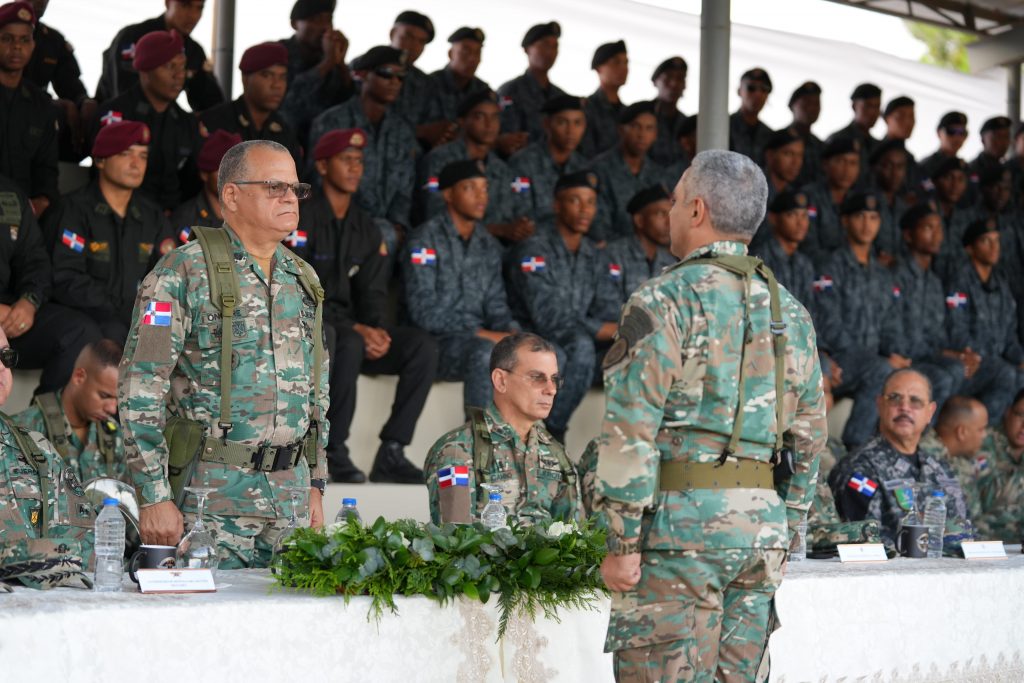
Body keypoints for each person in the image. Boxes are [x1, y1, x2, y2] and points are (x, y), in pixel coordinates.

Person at [595, 150, 826, 680]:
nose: (671, 212)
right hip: (760, 532)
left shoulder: (664, 298)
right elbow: (811, 435)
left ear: (696, 210)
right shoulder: (791, 311)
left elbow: (630, 431)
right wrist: (787, 529)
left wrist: (622, 543)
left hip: (681, 533)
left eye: (675, 201)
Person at [118, 139, 327, 569]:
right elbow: (140, 387)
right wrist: (153, 495)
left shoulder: (303, 278)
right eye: (274, 186)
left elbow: (317, 392)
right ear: (231, 195)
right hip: (209, 507)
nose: (290, 197)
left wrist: (316, 483)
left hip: (290, 507)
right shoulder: (181, 272)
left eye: (295, 188)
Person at [293, 128, 437, 484]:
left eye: (360, 161)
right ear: (323, 166)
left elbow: (373, 293)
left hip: (352, 332)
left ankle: (392, 450)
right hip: (307, 328)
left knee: (422, 346)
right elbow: (294, 289)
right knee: (347, 339)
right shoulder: (301, 216)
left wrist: (377, 330)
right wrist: (359, 330)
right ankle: (332, 450)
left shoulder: (366, 226)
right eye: (347, 160)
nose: (356, 168)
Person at [506, 171, 619, 442]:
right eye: (575, 201)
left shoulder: (594, 254)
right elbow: (548, 316)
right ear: (557, 205)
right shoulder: (533, 250)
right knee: (578, 349)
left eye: (590, 202)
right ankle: (553, 430)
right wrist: (603, 328)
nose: (584, 210)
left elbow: (607, 305)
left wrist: (618, 327)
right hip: (532, 336)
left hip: (576, 337)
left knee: (633, 352)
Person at [424, 333, 580, 525]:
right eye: (537, 377)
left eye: (554, 379)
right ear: (500, 381)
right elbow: (454, 541)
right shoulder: (457, 450)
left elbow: (572, 537)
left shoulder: (557, 454)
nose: (551, 389)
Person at [402, 159, 519, 414]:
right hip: (436, 346)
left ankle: (521, 446)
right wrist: (481, 334)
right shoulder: (424, 239)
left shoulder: (488, 245)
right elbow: (424, 313)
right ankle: (480, 442)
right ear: (448, 194)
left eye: (485, 188)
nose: (481, 196)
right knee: (483, 352)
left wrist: (513, 333)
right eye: (470, 188)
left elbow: (496, 305)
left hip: (479, 339)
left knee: (536, 352)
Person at [49, 121, 174, 344]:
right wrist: (123, 310)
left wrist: (155, 323)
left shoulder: (153, 217)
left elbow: (169, 280)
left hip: (139, 319)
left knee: (168, 343)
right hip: (89, 319)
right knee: (115, 337)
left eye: (143, 156)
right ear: (100, 160)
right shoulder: (73, 210)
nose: (136, 164)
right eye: (126, 154)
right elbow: (65, 278)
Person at [830, 369, 974, 553]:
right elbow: (865, 547)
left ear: (930, 412)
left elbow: (967, 535)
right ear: (880, 404)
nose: (905, 407)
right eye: (895, 398)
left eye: (915, 401)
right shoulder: (858, 470)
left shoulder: (941, 469)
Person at [0, 324, 96, 591]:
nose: (1, 368)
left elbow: (86, 544)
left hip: (38, 619)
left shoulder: (36, 449)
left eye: (5, 358)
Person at [814, 191, 904, 450]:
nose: (867, 224)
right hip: (838, 358)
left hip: (872, 358)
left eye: (874, 218)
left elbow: (890, 322)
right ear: (845, 221)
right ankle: (855, 447)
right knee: (880, 370)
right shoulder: (831, 265)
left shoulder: (881, 272)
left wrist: (894, 353)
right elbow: (827, 322)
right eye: (860, 217)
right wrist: (880, 360)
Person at [307, 45, 418, 252]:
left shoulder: (402, 131)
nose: (395, 82)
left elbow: (405, 187)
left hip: (389, 233)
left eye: (401, 77)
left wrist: (399, 225)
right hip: (336, 227)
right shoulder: (332, 121)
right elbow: (317, 180)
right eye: (387, 74)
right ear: (364, 75)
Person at [0, 175, 98, 393]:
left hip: (9, 317)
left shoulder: (10, 196)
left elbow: (35, 260)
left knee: (79, 332)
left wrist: (29, 301)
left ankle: (44, 422)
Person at [92, 29, 203, 212]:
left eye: (182, 67)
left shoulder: (187, 123)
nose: (179, 75)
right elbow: (105, 179)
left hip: (171, 223)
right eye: (169, 67)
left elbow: (192, 182)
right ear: (145, 70)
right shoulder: (115, 115)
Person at [416, 90, 530, 243]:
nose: (489, 124)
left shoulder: (502, 169)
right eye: (480, 117)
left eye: (495, 117)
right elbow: (435, 215)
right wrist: (499, 230)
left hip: (495, 251)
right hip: (449, 245)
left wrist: (519, 228)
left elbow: (515, 215)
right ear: (462, 121)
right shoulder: (439, 160)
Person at [13, 339, 126, 484]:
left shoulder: (112, 434)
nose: (112, 408)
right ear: (79, 377)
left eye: (118, 399)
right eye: (104, 396)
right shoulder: (25, 430)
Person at [946, 218, 1024, 422]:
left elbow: (1010, 337)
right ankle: (981, 433)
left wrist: (1020, 358)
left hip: (997, 364)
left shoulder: (1000, 283)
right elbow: (957, 332)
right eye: (986, 241)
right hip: (970, 365)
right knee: (1005, 374)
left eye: (996, 241)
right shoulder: (959, 280)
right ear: (970, 249)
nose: (993, 247)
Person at [891, 203, 968, 410]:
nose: (936, 235)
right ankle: (918, 433)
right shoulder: (896, 274)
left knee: (958, 368)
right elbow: (892, 330)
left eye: (939, 228)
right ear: (908, 235)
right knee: (942, 377)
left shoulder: (933, 281)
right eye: (928, 228)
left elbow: (937, 332)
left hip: (925, 355)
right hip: (902, 356)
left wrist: (956, 353)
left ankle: (927, 431)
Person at [95, 0, 223, 112]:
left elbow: (212, 105)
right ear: (168, 2)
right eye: (185, 5)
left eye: (199, 7)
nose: (193, 15)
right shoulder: (133, 37)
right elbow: (126, 98)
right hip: (112, 124)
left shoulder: (194, 51)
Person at [198, 42, 302, 166]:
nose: (277, 85)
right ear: (245, 78)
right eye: (267, 75)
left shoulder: (285, 131)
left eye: (282, 77)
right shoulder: (216, 122)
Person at [0, 2, 58, 217]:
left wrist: (42, 200)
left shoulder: (41, 104)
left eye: (24, 40)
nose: (17, 46)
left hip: (26, 217)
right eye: (7, 39)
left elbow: (47, 168)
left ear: (33, 45)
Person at [276, 0, 354, 146]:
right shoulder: (278, 53)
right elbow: (288, 103)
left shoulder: (329, 55)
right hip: (284, 144)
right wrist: (327, 63)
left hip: (322, 146)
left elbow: (348, 102)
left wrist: (341, 63)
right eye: (315, 20)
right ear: (294, 24)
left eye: (328, 20)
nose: (325, 27)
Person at [24, 0, 94, 161]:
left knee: (89, 117)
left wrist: (85, 102)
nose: (40, 2)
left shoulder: (52, 40)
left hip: (42, 112)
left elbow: (70, 83)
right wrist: (47, 102)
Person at [507, 95, 588, 226]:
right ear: (547, 124)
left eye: (577, 123)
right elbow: (520, 213)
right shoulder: (523, 162)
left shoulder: (583, 167)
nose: (571, 131)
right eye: (562, 122)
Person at [590, 102, 665, 243]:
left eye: (649, 128)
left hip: (652, 253)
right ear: (621, 130)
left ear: (655, 135)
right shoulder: (600, 169)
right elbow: (598, 224)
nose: (642, 134)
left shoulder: (659, 174)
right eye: (636, 126)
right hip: (613, 250)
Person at [918, 395, 988, 525]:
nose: (985, 435)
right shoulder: (925, 457)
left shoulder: (961, 458)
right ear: (962, 432)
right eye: (981, 429)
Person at [496, 21, 565, 150]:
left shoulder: (560, 97)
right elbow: (508, 137)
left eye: (555, 46)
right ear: (527, 49)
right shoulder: (510, 91)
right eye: (544, 45)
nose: (550, 52)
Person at [605, 185, 677, 308]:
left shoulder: (670, 262)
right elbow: (607, 305)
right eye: (661, 214)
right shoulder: (614, 255)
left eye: (671, 215)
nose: (669, 222)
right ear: (639, 221)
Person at [799, 136, 861, 268]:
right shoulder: (809, 196)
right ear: (825, 164)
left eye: (853, 163)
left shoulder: (858, 201)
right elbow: (807, 248)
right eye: (840, 161)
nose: (847, 169)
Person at [170, 129, 241, 239]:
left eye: (238, 169)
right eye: (223, 170)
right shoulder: (185, 221)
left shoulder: (254, 213)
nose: (233, 176)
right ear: (204, 174)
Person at [975, 389, 1024, 542]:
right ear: (1008, 412)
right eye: (1021, 415)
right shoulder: (982, 440)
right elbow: (988, 495)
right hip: (984, 540)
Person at [422, 27, 491, 126]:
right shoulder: (428, 85)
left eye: (477, 53)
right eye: (465, 51)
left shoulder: (483, 90)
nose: (472, 58)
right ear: (450, 54)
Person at [750, 128, 804, 250]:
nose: (796, 162)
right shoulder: (752, 190)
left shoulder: (796, 193)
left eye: (800, 155)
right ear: (770, 155)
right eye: (788, 154)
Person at [826, 83, 881, 187]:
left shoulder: (878, 145)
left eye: (877, 107)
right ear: (854, 106)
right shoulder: (837, 140)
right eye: (868, 106)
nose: (873, 112)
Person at [581, 40, 627, 159]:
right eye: (616, 62)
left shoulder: (628, 113)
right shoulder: (587, 108)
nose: (624, 68)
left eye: (626, 62)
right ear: (598, 68)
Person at [929, 156, 972, 282]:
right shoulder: (924, 215)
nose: (955, 185)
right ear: (936, 181)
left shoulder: (967, 219)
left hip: (958, 285)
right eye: (949, 178)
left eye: (960, 179)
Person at [867, 138, 909, 264]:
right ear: (876, 167)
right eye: (888, 165)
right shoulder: (864, 203)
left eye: (900, 167)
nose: (895, 172)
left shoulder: (905, 208)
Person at [647, 56, 688, 168]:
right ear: (656, 81)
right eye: (668, 78)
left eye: (680, 78)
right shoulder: (643, 118)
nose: (674, 84)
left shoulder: (686, 124)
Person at [729, 67, 773, 165]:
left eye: (764, 89)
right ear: (739, 91)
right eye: (751, 88)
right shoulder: (723, 127)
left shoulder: (770, 136)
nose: (758, 94)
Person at [787, 80, 823, 187]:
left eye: (816, 104)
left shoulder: (820, 146)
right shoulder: (778, 141)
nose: (812, 108)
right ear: (792, 106)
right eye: (806, 103)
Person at [917, 111, 968, 188]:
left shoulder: (965, 168)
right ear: (938, 132)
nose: (957, 137)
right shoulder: (926, 166)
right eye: (951, 131)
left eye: (962, 132)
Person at [880, 95, 919, 194]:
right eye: (901, 116)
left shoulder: (910, 158)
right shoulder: (877, 153)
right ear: (886, 119)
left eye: (911, 116)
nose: (908, 122)